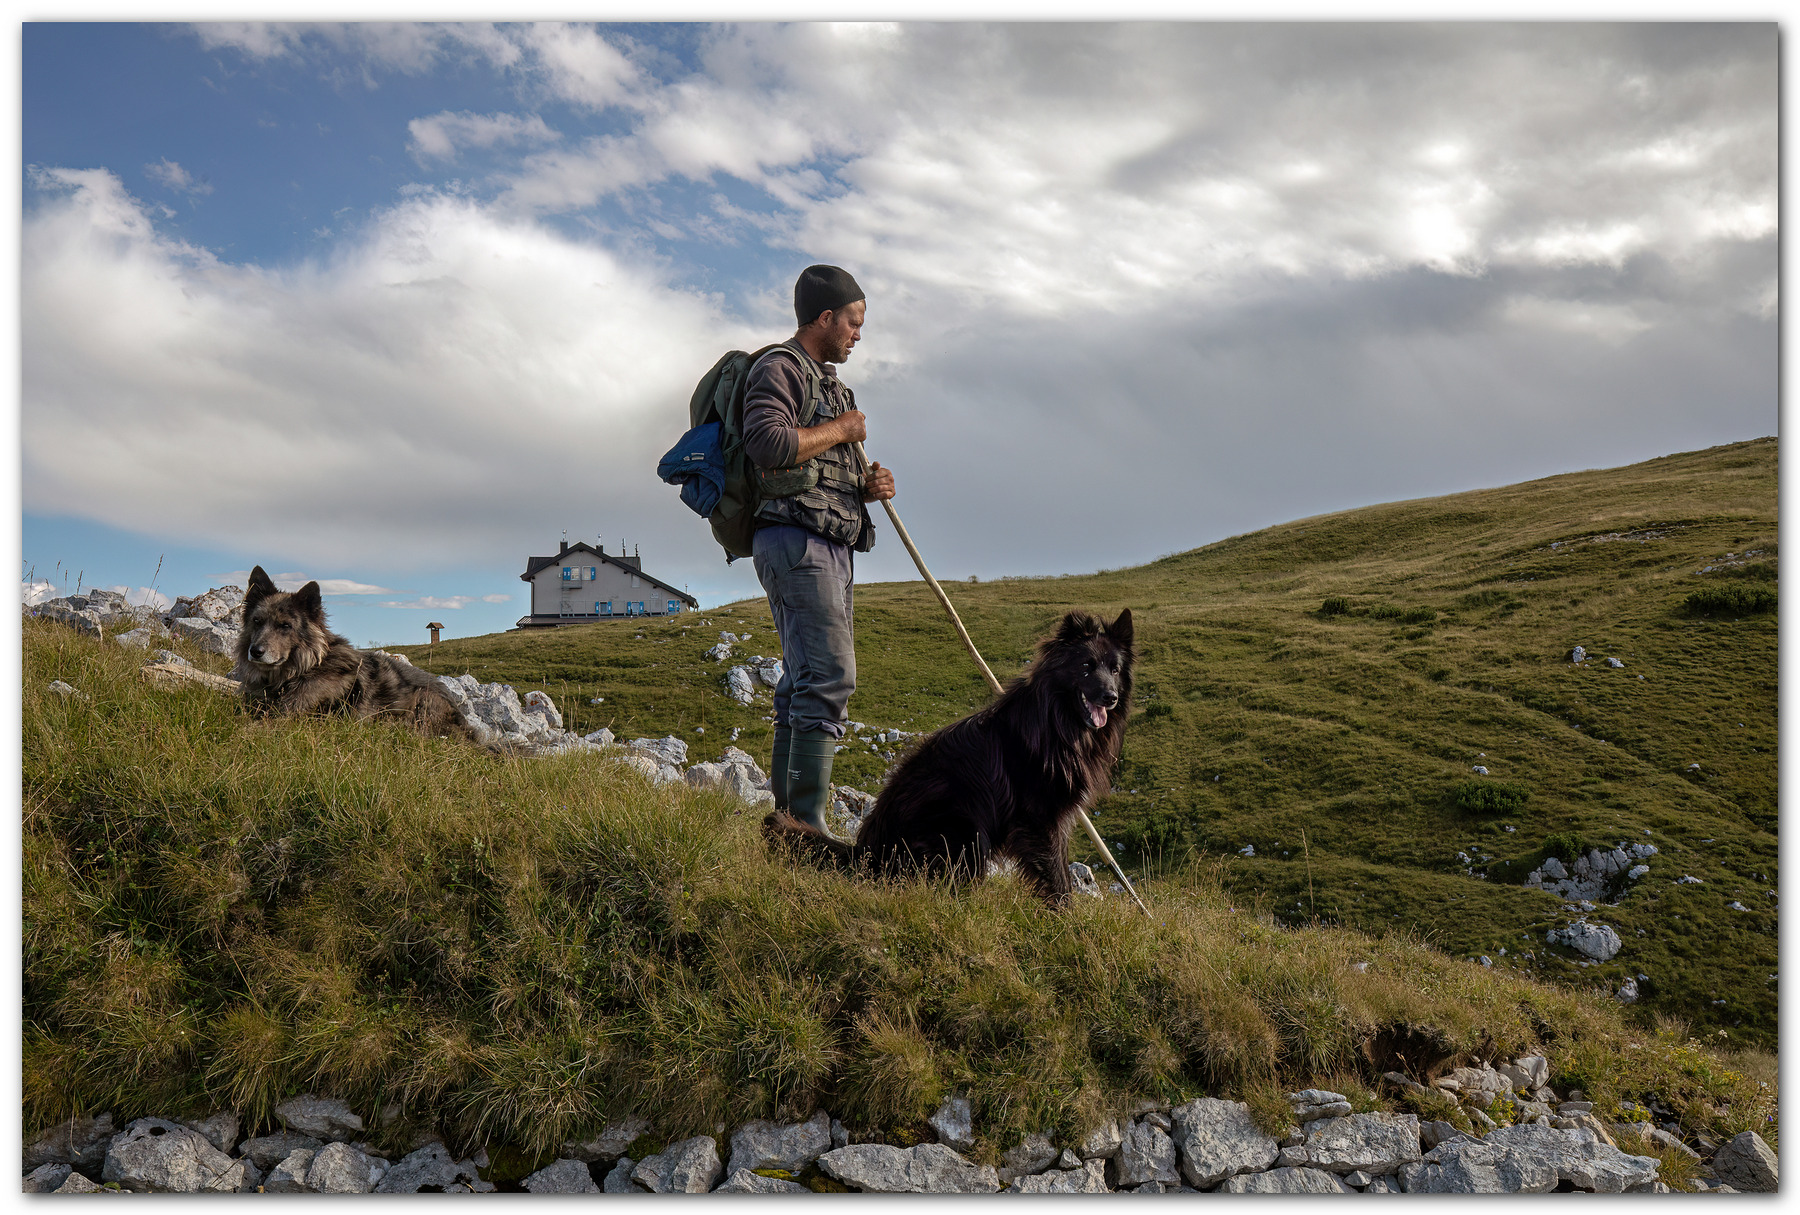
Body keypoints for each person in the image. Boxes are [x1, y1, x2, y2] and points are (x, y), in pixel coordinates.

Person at [741, 264, 896, 834]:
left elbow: (823, 470)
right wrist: (845, 430)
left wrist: (872, 486)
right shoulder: (779, 368)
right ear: (825, 317)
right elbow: (768, 442)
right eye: (853, 322)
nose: (858, 334)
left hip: (821, 544)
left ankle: (789, 826)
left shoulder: (826, 383)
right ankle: (807, 830)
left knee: (805, 680)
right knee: (829, 677)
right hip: (797, 543)